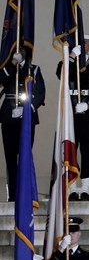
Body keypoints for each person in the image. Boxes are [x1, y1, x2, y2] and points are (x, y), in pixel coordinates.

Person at [56, 33, 89, 201]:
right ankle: (71, 189)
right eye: (80, 43)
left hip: (87, 113)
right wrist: (70, 58)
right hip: (70, 113)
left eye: (86, 43)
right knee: (70, 150)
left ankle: (85, 189)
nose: (83, 46)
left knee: (88, 151)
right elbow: (61, 74)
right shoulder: (67, 63)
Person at [0, 48, 44, 201]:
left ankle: (24, 193)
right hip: (8, 117)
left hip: (27, 117)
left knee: (24, 155)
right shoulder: (8, 68)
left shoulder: (34, 69)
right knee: (10, 158)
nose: (20, 51)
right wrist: (12, 64)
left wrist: (27, 109)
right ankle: (13, 194)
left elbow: (40, 93)